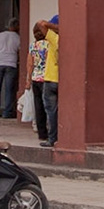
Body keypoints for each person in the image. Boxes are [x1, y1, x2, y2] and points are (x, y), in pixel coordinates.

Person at [0, 18, 23, 120]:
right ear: (17, 27)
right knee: (9, 89)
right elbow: (20, 52)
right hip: (11, 63)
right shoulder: (18, 38)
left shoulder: (0, 35)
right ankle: (7, 112)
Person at [27, 20, 51, 143]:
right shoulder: (48, 45)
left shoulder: (33, 46)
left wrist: (28, 79)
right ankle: (50, 130)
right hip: (46, 77)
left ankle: (42, 133)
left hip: (35, 77)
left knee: (38, 106)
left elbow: (30, 64)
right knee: (49, 106)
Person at [41, 15, 60, 145]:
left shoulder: (54, 38)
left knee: (51, 111)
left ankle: (52, 138)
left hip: (51, 78)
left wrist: (55, 27)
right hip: (62, 79)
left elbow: (41, 23)